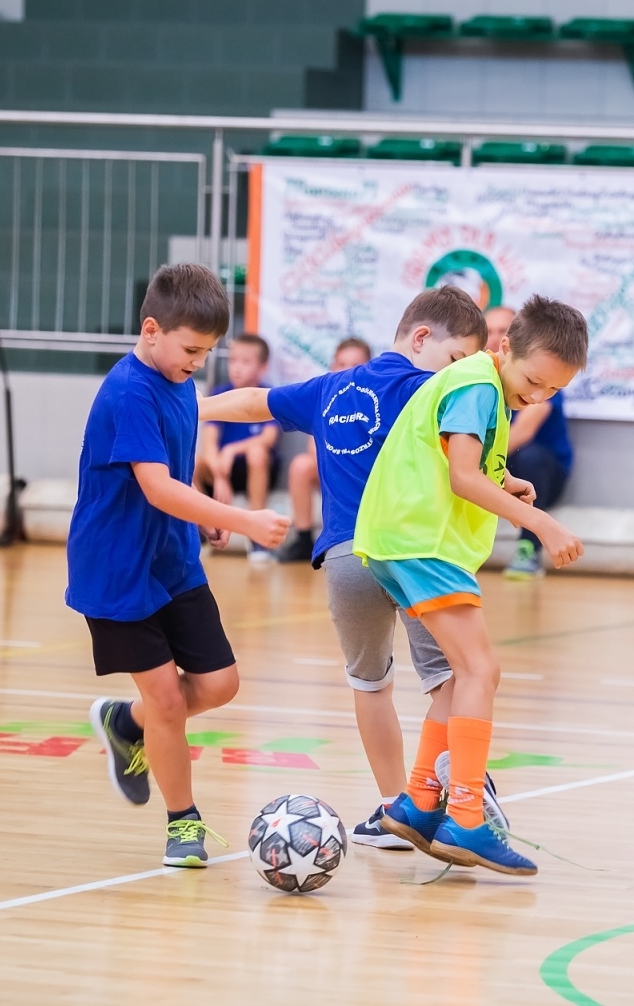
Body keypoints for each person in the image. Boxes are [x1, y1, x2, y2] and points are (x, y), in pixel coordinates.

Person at [199, 288, 488, 848]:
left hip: (344, 557)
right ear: (423, 339)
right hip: (411, 553)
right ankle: (438, 796)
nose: (458, 373)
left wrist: (191, 407)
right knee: (453, 678)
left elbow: (253, 402)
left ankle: (391, 808)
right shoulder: (432, 392)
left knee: (369, 682)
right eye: (457, 358)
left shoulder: (332, 387)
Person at [66, 264, 290, 867]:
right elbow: (158, 488)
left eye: (207, 352)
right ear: (150, 329)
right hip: (116, 569)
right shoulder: (128, 391)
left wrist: (201, 517)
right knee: (167, 699)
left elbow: (175, 468)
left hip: (171, 557)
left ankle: (125, 723)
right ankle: (183, 823)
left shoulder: (177, 381)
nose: (197, 361)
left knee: (219, 684)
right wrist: (241, 518)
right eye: (191, 349)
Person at [359, 294, 588, 876]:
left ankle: (416, 801)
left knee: (465, 675)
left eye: (553, 393)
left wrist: (506, 481)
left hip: (407, 541)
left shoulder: (491, 388)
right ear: (503, 345)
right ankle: (464, 817)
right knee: (482, 671)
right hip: (419, 541)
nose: (538, 397)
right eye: (535, 381)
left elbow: (462, 462)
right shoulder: (478, 385)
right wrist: (537, 520)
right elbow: (461, 477)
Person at [485, 306, 577, 580]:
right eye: (488, 331)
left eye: (502, 329)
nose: (539, 395)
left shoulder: (539, 381)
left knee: (529, 455)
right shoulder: (481, 380)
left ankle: (528, 549)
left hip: (542, 474)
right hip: (502, 470)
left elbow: (520, 435)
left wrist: (483, 469)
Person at [276, 337, 373, 563]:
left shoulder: (372, 401)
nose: (346, 371)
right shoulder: (325, 399)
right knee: (301, 466)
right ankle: (303, 538)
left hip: (365, 476)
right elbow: (314, 448)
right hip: (333, 469)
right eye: (341, 364)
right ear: (332, 366)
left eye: (354, 365)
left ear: (368, 368)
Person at [196, 333, 279, 562]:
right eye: (233, 361)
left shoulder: (268, 396)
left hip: (256, 468)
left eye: (245, 362)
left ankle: (258, 540)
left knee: (257, 454)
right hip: (223, 470)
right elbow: (209, 441)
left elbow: (268, 439)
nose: (237, 368)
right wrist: (218, 475)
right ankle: (201, 534)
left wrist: (232, 450)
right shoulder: (220, 393)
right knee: (193, 463)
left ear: (262, 367)